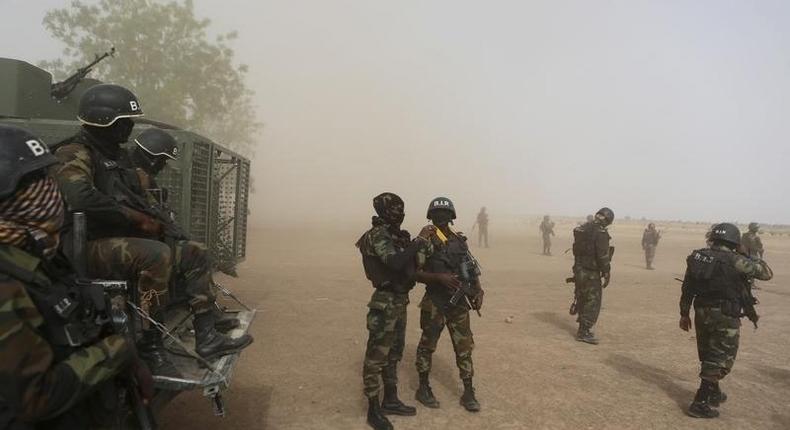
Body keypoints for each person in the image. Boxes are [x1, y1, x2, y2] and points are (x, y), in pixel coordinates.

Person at [53, 84, 250, 376]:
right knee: (156, 255)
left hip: (118, 242)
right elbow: (79, 196)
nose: (130, 128)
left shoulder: (119, 159)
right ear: (104, 121)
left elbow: (140, 200)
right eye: (124, 121)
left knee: (195, 252)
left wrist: (160, 223)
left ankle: (207, 336)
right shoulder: (74, 151)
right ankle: (151, 346)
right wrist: (136, 218)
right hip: (84, 246)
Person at [0, 124, 150, 429]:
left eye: (46, 177)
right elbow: (36, 397)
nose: (49, 188)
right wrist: (117, 352)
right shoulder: (6, 281)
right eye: (33, 181)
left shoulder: (40, 255)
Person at [129, 127, 240, 332]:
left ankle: (206, 317)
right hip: (134, 240)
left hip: (146, 237)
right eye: (162, 161)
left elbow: (157, 213)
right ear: (153, 159)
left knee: (190, 250)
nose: (163, 167)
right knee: (187, 252)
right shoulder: (133, 175)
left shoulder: (141, 176)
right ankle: (163, 330)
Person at [678, 223, 773, 418]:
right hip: (724, 314)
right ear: (733, 242)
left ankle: (714, 392)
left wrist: (684, 313)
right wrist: (746, 254)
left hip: (701, 312)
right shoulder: (736, 260)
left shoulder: (699, 257)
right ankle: (700, 401)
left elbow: (687, 287)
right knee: (722, 358)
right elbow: (766, 273)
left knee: (709, 353)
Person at [356, 192, 434, 430]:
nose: (400, 213)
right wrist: (419, 241)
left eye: (402, 208)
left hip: (400, 300)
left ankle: (390, 399)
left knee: (394, 353)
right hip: (385, 300)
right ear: (382, 211)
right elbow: (395, 263)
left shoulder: (396, 236)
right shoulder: (377, 235)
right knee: (376, 355)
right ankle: (373, 409)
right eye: (394, 209)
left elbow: (412, 266)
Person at [414, 197, 484, 413]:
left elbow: (470, 268)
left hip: (458, 303)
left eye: (445, 214)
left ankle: (468, 391)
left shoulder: (458, 240)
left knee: (464, 347)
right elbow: (415, 272)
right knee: (427, 346)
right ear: (430, 216)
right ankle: (423, 387)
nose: (441, 217)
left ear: (452, 216)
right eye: (437, 214)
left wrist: (478, 289)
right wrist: (438, 278)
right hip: (435, 301)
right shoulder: (426, 238)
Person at [570, 207, 614, 344]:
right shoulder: (600, 233)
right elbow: (602, 255)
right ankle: (584, 332)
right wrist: (606, 271)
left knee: (582, 296)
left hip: (578, 269)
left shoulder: (582, 228)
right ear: (606, 220)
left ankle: (582, 325)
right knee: (593, 301)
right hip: (590, 271)